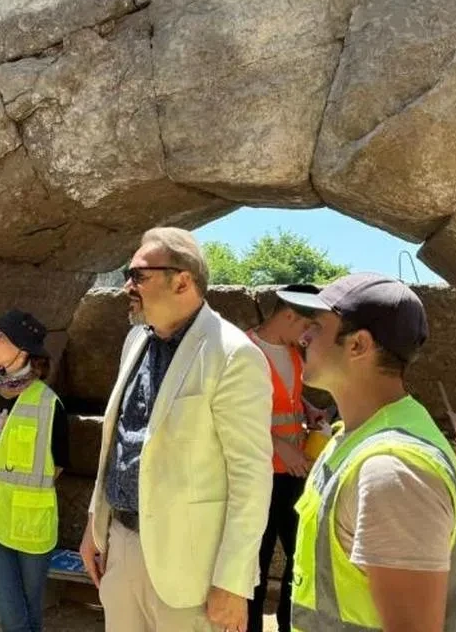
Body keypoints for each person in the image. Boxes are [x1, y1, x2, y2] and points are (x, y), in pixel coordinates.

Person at [79, 227, 273, 632]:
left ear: (182, 280)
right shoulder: (135, 341)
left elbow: (251, 478)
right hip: (121, 548)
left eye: (138, 276)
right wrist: (94, 528)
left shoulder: (234, 355)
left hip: (191, 573)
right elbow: (120, 444)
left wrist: (233, 583)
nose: (127, 287)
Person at [282, 274, 456, 631]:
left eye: (316, 327)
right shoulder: (351, 439)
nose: (303, 337)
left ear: (358, 345)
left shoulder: (392, 471)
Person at [0, 309, 68, 632]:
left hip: (30, 527)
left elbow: (57, 465)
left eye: (1, 336)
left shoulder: (49, 404)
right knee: (14, 618)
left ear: (23, 351)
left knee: (30, 615)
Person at [245, 285, 330, 632]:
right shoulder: (242, 351)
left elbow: (286, 398)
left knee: (300, 559)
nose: (309, 336)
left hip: (294, 475)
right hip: (258, 476)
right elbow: (229, 418)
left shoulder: (292, 352)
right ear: (289, 315)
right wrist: (279, 445)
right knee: (254, 564)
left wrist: (307, 409)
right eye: (307, 327)